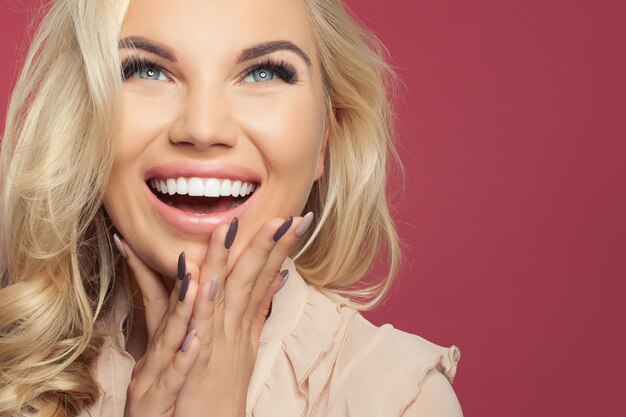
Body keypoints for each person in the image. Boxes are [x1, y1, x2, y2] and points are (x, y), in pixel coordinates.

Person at [0, 0, 462, 416]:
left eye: (264, 73)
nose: (202, 128)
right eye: (147, 70)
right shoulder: (13, 370)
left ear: (325, 138)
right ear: (81, 117)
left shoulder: (400, 399)